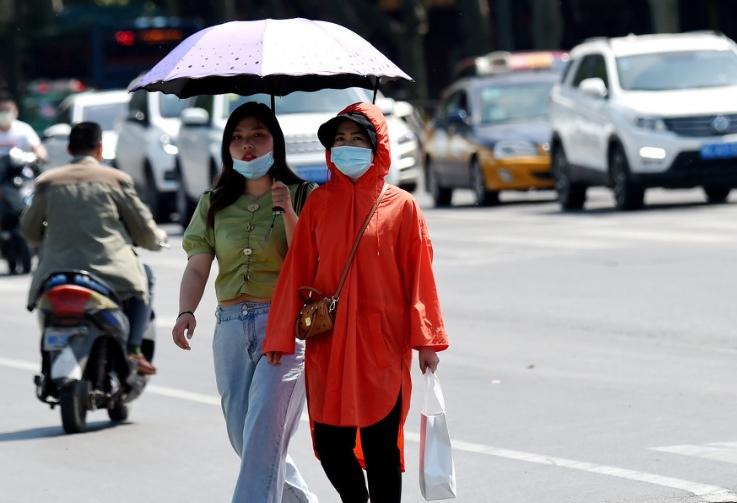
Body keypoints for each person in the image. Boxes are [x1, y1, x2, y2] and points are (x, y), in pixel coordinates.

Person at [263, 102, 449, 503]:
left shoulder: (402, 206)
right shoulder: (318, 204)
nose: (347, 147)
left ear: (377, 146)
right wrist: (279, 335)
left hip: (382, 346)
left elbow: (421, 275)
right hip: (329, 346)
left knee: (382, 448)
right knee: (331, 444)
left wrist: (427, 341)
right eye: (340, 139)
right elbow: (297, 270)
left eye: (357, 139)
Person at [171, 101, 318, 503]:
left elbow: (309, 261)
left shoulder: (304, 195)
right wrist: (186, 311)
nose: (247, 146)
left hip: (283, 327)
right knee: (246, 439)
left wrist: (286, 209)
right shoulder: (213, 203)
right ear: (226, 147)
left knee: (261, 441)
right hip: (231, 328)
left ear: (276, 142)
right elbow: (199, 267)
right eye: (237, 138)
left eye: (257, 136)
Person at [20, 121, 164, 374]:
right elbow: (144, 231)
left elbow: (30, 231)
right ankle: (133, 350)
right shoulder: (116, 180)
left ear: (69, 149)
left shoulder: (47, 182)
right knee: (146, 279)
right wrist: (156, 239)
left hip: (54, 273)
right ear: (99, 148)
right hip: (111, 274)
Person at [0, 93, 48, 162]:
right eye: (1, 110)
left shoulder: (24, 128)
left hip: (19, 167)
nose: (4, 113)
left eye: (7, 110)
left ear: (15, 111)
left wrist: (39, 156)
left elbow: (38, 148)